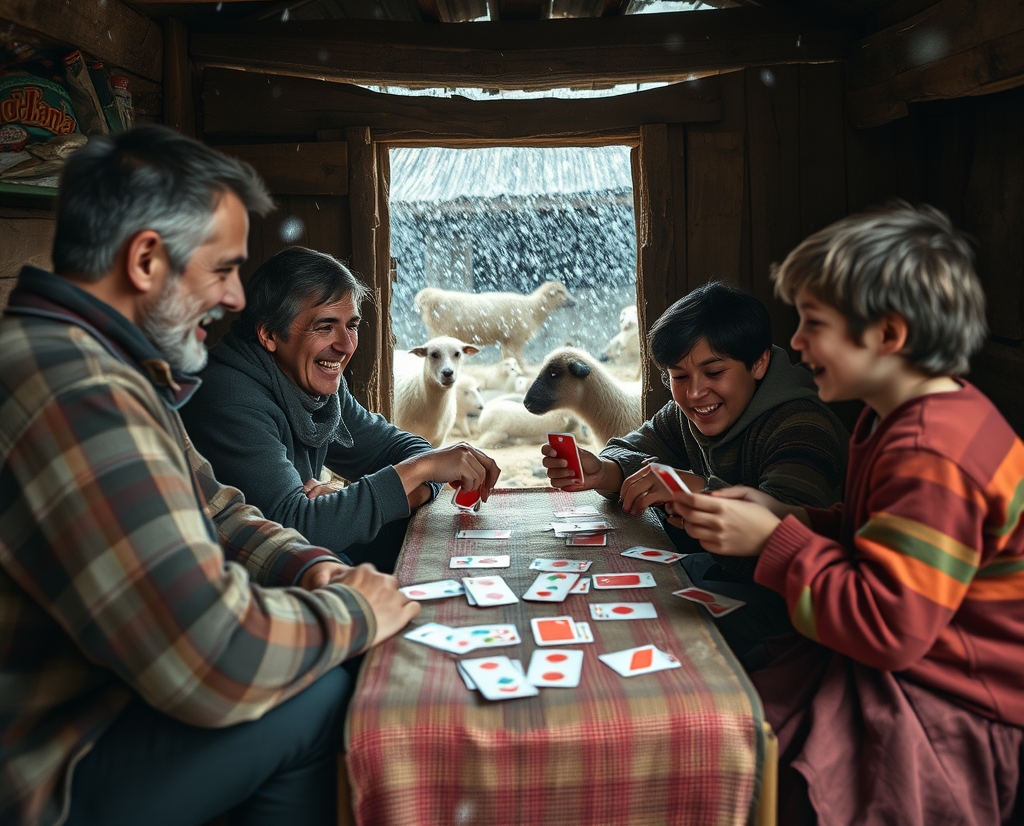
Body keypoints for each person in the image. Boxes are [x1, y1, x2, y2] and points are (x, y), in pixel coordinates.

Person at [0, 126, 421, 826]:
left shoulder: (107, 367)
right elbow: (213, 660)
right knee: (320, 696)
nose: (233, 298)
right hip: (47, 768)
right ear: (145, 260)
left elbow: (218, 508)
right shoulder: (74, 390)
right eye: (222, 270)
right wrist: (356, 612)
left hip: (112, 699)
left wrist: (315, 567)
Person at [668, 204, 1024, 825]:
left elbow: (888, 625)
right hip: (910, 669)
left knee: (728, 743)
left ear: (888, 335)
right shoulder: (905, 421)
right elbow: (879, 538)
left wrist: (777, 539)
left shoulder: (931, 451)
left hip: (947, 707)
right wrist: (788, 513)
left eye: (813, 324)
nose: (796, 345)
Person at [542, 281, 848, 657]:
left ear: (759, 363)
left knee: (651, 633)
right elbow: (629, 449)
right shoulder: (688, 413)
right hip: (727, 576)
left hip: (802, 614)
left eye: (714, 372)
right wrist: (604, 471)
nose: (694, 393)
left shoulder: (802, 426)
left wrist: (700, 492)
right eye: (679, 376)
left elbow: (789, 545)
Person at [180, 247, 500, 573]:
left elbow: (407, 450)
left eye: (352, 325)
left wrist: (342, 500)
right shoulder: (229, 399)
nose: (346, 345)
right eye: (325, 326)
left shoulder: (313, 383)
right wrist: (417, 472)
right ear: (270, 334)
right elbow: (296, 532)